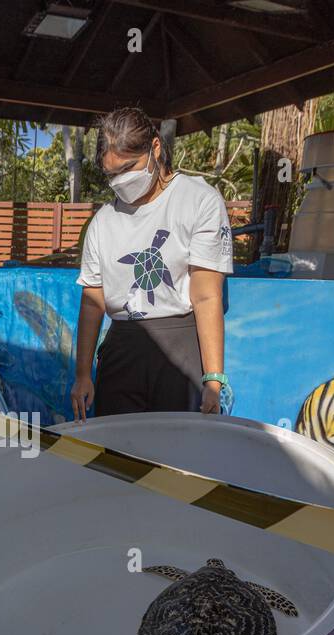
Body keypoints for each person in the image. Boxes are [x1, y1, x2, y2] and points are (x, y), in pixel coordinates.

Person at [71, 108, 232, 421]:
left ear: (155, 148)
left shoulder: (199, 200)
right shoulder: (103, 222)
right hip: (121, 347)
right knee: (118, 452)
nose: (121, 181)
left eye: (129, 168)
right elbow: (92, 304)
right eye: (112, 174)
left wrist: (213, 378)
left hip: (179, 346)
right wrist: (82, 375)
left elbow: (206, 296)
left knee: (177, 451)